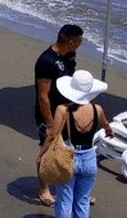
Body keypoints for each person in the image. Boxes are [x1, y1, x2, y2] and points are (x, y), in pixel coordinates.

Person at [39, 70, 112, 218]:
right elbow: (106, 125)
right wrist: (109, 131)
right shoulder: (97, 109)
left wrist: (41, 154)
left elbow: (53, 135)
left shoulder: (63, 110)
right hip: (89, 157)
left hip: (68, 157)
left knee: (65, 200)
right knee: (82, 201)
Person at [35, 24, 84, 206]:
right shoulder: (46, 61)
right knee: (47, 149)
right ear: (72, 41)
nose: (81, 43)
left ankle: (71, 190)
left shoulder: (70, 55)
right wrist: (49, 123)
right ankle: (44, 189)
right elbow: (42, 95)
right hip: (48, 113)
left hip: (67, 110)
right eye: (80, 40)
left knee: (69, 149)